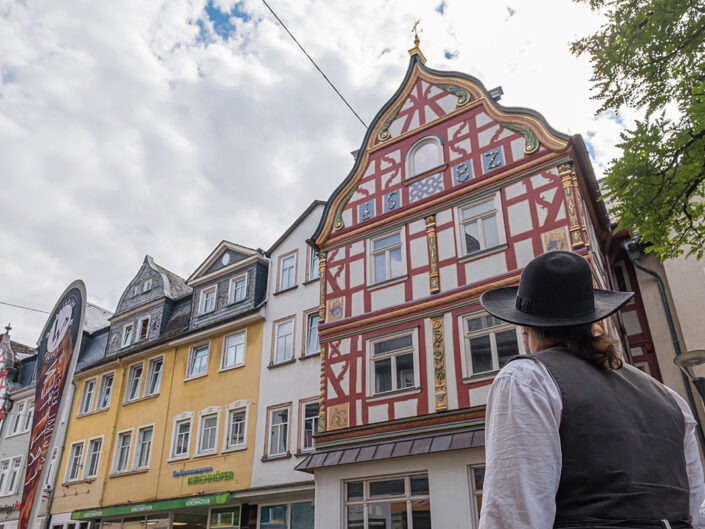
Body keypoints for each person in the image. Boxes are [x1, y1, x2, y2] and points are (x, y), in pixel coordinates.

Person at [478, 250, 705, 529]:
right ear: (592, 321)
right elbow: (698, 513)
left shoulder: (526, 379)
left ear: (525, 328)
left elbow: (514, 517)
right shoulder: (671, 400)